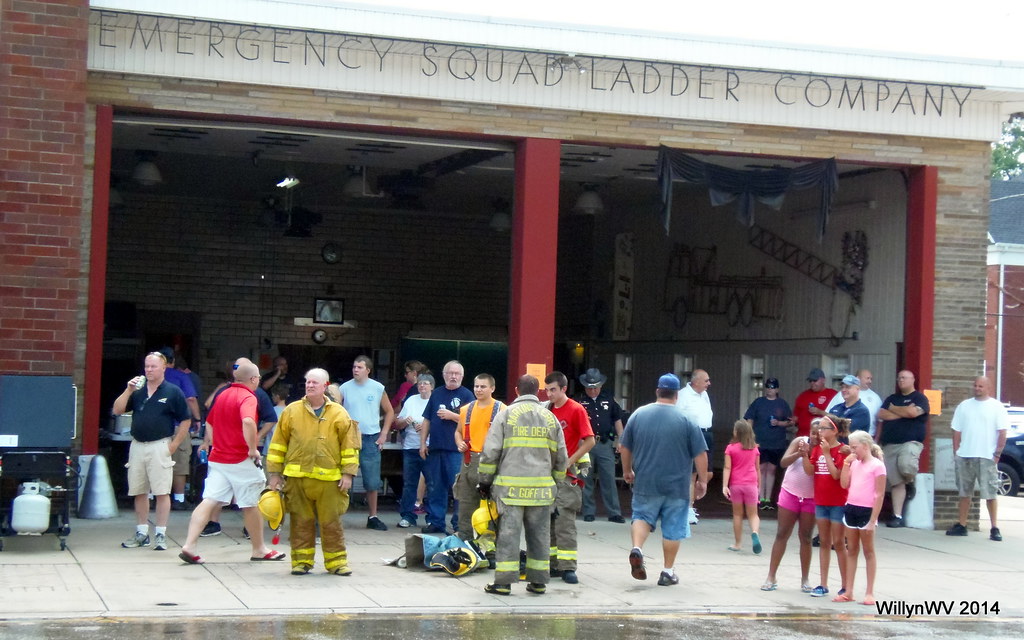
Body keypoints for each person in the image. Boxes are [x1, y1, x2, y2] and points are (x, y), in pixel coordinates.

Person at [178, 360, 284, 564]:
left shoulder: (223, 394)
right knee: (251, 504)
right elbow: (248, 421)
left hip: (219, 458)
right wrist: (252, 448)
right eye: (258, 378)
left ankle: (189, 545)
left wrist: (215, 443)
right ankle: (259, 549)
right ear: (253, 379)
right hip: (241, 459)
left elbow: (210, 422)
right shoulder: (248, 397)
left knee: (209, 500)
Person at [477, 374, 568, 596]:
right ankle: (538, 582)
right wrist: (556, 483)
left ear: (517, 390)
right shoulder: (550, 418)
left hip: (510, 491)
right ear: (538, 392)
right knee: (540, 536)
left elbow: (490, 452)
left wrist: (485, 482)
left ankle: (503, 583)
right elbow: (561, 456)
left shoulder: (505, 415)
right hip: (542, 491)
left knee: (508, 536)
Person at [266, 368, 361, 575]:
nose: (309, 385)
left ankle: (337, 563)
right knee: (300, 522)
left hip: (330, 480)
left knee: (331, 523)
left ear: (325, 386)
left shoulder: (339, 413)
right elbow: (278, 444)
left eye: (314, 383)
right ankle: (301, 562)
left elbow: (350, 447)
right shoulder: (291, 411)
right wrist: (274, 474)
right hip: (297, 479)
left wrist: (348, 474)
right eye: (308, 382)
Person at [621, 373, 709, 587]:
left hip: (646, 481)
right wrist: (703, 480)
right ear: (677, 395)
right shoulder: (687, 419)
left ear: (657, 391)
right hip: (677, 486)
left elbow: (625, 446)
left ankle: (637, 548)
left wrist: (627, 470)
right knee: (673, 527)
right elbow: (700, 454)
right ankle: (667, 572)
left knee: (642, 517)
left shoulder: (639, 415)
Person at [111, 351, 191, 550]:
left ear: (164, 367)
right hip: (138, 445)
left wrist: (173, 445)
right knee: (139, 490)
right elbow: (117, 410)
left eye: (153, 366)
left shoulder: (173, 391)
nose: (149, 370)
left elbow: (185, 420)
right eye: (147, 366)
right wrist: (128, 390)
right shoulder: (137, 391)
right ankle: (141, 533)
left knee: (162, 491)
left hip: (160, 445)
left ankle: (161, 534)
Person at [201, 359, 280, 538]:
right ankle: (216, 524)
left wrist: (255, 438)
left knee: (216, 497)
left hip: (231, 453)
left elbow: (270, 418)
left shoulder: (251, 394)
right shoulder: (238, 393)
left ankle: (246, 528)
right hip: (236, 453)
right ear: (253, 378)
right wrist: (252, 446)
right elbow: (216, 416)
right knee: (247, 496)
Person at [543, 371, 595, 584]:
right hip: (547, 475)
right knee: (548, 522)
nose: (549, 394)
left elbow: (590, 440)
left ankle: (568, 567)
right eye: (547, 390)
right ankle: (553, 563)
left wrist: (569, 461)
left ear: (564, 389)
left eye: (553, 390)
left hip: (566, 476)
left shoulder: (576, 409)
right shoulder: (546, 409)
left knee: (565, 522)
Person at [946, 376, 1009, 541]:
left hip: (987, 456)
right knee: (964, 492)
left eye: (981, 386)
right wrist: (956, 452)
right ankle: (962, 525)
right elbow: (956, 430)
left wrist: (997, 454)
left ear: (988, 387)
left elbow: (1002, 432)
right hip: (965, 455)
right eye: (975, 385)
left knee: (990, 493)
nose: (977, 388)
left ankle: (994, 527)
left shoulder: (997, 407)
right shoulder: (964, 406)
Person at [762, 419, 821, 593]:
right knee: (782, 533)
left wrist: (808, 455)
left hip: (811, 498)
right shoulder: (799, 442)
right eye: (813, 433)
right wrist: (799, 454)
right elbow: (783, 463)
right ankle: (771, 576)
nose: (815, 437)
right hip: (790, 493)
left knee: (806, 537)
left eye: (819, 434)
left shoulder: (824, 450)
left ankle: (805, 579)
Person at [337, 356, 395, 532]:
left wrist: (384, 433)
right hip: (349, 437)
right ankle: (336, 516)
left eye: (360, 367)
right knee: (342, 477)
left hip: (371, 437)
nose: (355, 370)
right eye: (354, 367)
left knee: (372, 480)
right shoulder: (344, 388)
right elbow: (335, 410)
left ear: (368, 370)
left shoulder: (377, 388)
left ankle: (373, 516)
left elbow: (390, 411)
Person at [419, 360, 475, 534]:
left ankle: (459, 524)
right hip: (435, 448)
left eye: (457, 373)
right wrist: (423, 443)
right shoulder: (436, 393)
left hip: (456, 451)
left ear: (462, 376)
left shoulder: (467, 395)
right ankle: (436, 521)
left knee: (458, 487)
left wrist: (452, 416)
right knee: (435, 487)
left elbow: (472, 420)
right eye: (450, 373)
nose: (453, 376)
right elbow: (427, 419)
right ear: (443, 375)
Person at [453, 373, 505, 540]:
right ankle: (466, 542)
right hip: (469, 463)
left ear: (492, 388)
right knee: (466, 505)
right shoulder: (466, 410)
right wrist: (459, 442)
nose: (479, 389)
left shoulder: (502, 410)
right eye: (476, 386)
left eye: (483, 386)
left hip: (492, 463)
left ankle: (489, 544)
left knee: (491, 507)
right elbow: (458, 432)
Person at [837, 431, 886, 605]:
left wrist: (873, 520)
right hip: (851, 507)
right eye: (851, 447)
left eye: (854, 447)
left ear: (865, 446)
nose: (852, 451)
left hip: (867, 510)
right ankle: (849, 591)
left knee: (868, 551)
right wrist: (846, 464)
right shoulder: (854, 464)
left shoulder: (877, 466)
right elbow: (844, 484)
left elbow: (879, 494)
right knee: (852, 550)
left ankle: (869, 592)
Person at [802, 415, 849, 598]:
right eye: (819, 428)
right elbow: (809, 471)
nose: (820, 432)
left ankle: (845, 585)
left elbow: (836, 475)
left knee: (839, 543)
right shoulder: (817, 449)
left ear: (834, 431)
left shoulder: (842, 450)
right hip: (821, 501)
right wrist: (805, 454)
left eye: (823, 428)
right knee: (824, 541)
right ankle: (823, 584)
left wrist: (828, 453)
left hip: (838, 502)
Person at [875, 370, 929, 528]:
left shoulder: (920, 398)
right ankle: (897, 516)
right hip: (890, 444)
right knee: (895, 481)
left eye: (904, 378)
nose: (900, 380)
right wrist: (903, 412)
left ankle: (910, 481)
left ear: (913, 379)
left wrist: (894, 409)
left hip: (910, 442)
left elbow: (912, 413)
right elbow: (882, 414)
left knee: (906, 465)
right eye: (899, 378)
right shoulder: (891, 398)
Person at [577, 368, 626, 524]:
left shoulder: (609, 399)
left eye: (595, 388)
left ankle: (614, 512)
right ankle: (588, 511)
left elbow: (617, 420)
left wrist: (621, 440)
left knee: (609, 478)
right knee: (586, 478)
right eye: (589, 388)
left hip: (604, 443)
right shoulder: (579, 401)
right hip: (585, 443)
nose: (592, 391)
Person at [157, 347, 203, 511]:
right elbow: (190, 399)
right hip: (178, 426)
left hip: (155, 426)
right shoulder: (181, 376)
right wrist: (197, 419)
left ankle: (150, 497)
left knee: (154, 463)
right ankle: (178, 499)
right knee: (179, 463)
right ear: (173, 361)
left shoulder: (150, 377)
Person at [743, 377, 792, 510]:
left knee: (771, 469)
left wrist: (779, 423)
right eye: (768, 387)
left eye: (772, 387)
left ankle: (768, 499)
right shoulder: (758, 402)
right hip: (760, 441)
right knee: (760, 468)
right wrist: (749, 436)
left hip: (776, 442)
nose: (770, 390)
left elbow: (790, 421)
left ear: (777, 389)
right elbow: (749, 419)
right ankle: (759, 497)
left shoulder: (782, 404)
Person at [394, 373, 435, 528]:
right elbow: (398, 423)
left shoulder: (435, 401)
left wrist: (426, 428)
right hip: (410, 447)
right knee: (409, 483)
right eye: (420, 383)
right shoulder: (411, 400)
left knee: (432, 483)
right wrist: (406, 421)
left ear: (432, 386)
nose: (422, 386)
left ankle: (432, 517)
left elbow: (440, 425)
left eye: (425, 383)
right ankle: (407, 516)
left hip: (430, 447)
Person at [675, 369, 713, 524]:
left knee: (707, 473)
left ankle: (688, 502)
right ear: (696, 381)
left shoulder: (705, 394)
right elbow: (677, 417)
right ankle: (688, 508)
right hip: (691, 434)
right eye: (706, 380)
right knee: (692, 473)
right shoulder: (683, 395)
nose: (709, 383)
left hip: (707, 433)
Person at [723, 419, 762, 554]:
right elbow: (757, 468)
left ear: (736, 432)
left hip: (736, 484)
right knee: (753, 514)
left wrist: (725, 485)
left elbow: (727, 467)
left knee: (737, 515)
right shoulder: (754, 448)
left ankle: (738, 543)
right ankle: (755, 532)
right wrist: (758, 485)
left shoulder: (730, 448)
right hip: (751, 484)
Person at [826, 369, 882, 436]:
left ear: (857, 389)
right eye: (842, 387)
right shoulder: (836, 408)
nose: (844, 390)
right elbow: (826, 426)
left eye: (848, 387)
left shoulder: (862, 411)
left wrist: (833, 425)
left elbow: (845, 431)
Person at [793, 368, 838, 438]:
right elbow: (796, 416)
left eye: (815, 380)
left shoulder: (833, 394)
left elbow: (837, 417)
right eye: (810, 381)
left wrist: (820, 412)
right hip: (802, 436)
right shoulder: (803, 395)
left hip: (822, 437)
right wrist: (793, 421)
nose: (812, 383)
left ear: (823, 380)